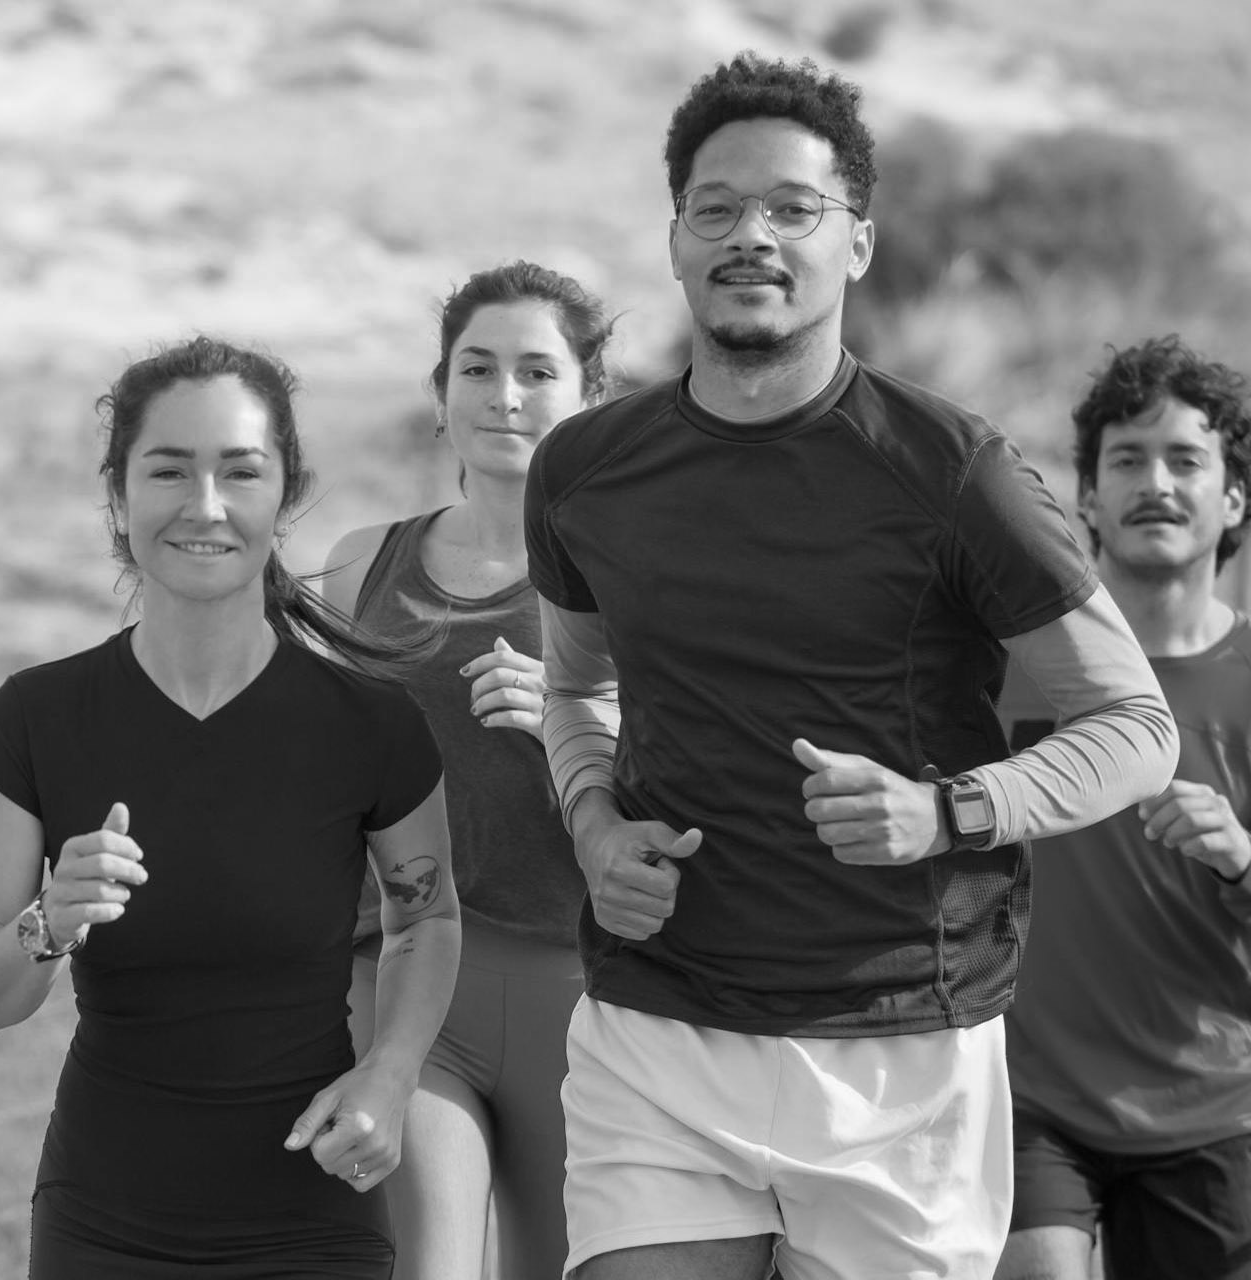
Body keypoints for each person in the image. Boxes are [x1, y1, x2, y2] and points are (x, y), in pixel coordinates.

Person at [522, 53, 1179, 1280]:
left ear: (859, 245)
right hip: (657, 1025)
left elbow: (1134, 724)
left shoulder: (956, 473)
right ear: (673, 240)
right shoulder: (584, 471)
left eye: (792, 207)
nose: (750, 236)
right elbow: (577, 690)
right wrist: (595, 819)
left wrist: (947, 810)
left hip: (903, 1047)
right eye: (715, 207)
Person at [0, 336, 462, 1279]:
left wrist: (391, 1072)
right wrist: (48, 922)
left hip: (314, 1217)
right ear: (119, 495)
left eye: (241, 471)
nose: (206, 505)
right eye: (169, 470)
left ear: (285, 493)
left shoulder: (369, 724)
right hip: (102, 1223)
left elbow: (428, 918)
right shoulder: (36, 717)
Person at [322, 261, 614, 1280]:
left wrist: (578, 718)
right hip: (404, 980)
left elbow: (704, 783)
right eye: (477, 367)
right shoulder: (363, 566)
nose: (504, 395)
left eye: (538, 370)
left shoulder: (634, 583)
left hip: (580, 990)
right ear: (438, 390)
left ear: (590, 396)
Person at [993, 336, 1251, 1280]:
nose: (1158, 483)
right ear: (1089, 497)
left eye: (1187, 460)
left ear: (1232, 498)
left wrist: (1242, 858)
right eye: (1128, 459)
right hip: (1032, 1096)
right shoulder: (1019, 667)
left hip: (1214, 1108)